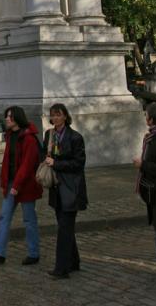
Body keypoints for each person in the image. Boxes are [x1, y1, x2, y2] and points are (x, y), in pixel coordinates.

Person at [0, 105, 43, 265]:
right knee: (4, 217)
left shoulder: (29, 138)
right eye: (6, 116)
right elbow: (7, 162)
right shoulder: (10, 135)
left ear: (17, 118)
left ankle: (33, 253)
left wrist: (16, 185)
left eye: (9, 116)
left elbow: (27, 165)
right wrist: (5, 182)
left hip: (26, 184)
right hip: (12, 183)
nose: (7, 119)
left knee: (29, 219)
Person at [43, 102, 87, 279]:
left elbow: (79, 163)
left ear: (65, 116)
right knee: (65, 226)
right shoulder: (49, 135)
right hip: (56, 187)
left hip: (71, 188)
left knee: (64, 229)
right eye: (53, 115)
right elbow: (43, 153)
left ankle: (62, 268)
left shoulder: (75, 137)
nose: (55, 118)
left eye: (58, 115)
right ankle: (74, 261)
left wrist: (57, 164)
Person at [133, 102, 156, 294]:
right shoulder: (155, 137)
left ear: (153, 119)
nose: (145, 118)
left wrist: (143, 165)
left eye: (147, 115)